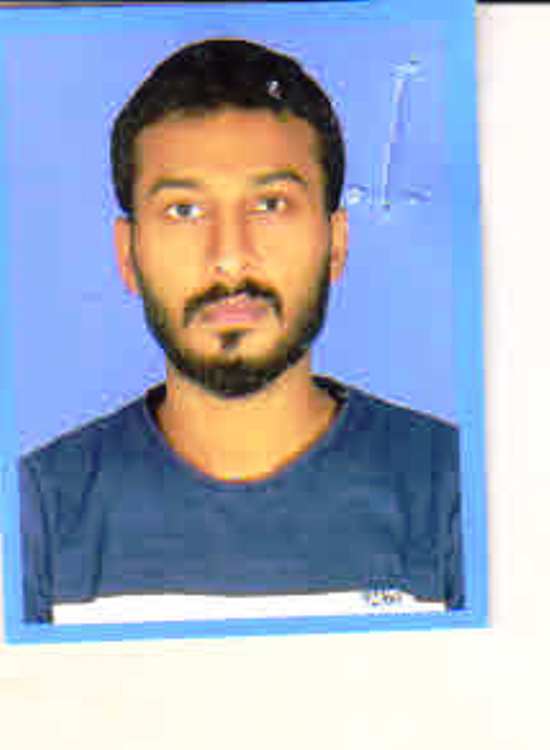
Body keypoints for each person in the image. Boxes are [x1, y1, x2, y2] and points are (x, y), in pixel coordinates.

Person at [19, 38, 463, 625]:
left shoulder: (452, 489)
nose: (229, 257)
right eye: (184, 210)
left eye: (270, 204)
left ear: (336, 243)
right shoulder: (41, 513)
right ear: (128, 256)